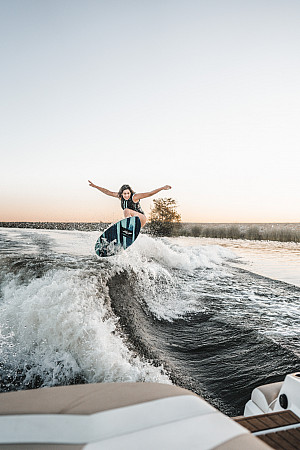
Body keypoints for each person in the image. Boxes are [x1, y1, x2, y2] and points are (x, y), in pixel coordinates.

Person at [88, 181, 171, 227]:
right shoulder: (120, 197)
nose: (127, 195)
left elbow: (149, 193)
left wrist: (162, 188)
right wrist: (95, 186)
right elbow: (107, 192)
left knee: (126, 210)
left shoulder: (135, 197)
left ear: (130, 192)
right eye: (125, 194)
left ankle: (127, 227)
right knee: (114, 224)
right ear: (121, 194)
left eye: (128, 193)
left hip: (141, 219)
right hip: (133, 222)